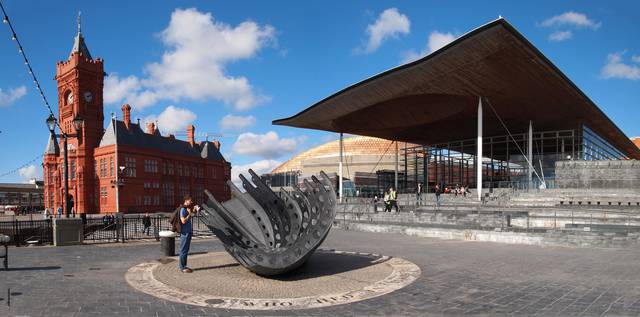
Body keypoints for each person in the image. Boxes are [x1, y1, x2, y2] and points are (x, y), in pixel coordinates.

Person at [178, 195, 198, 273]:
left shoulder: (187, 209)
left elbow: (190, 216)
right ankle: (182, 267)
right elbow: (183, 221)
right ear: (186, 200)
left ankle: (184, 266)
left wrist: (194, 211)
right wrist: (189, 213)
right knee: (183, 250)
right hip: (185, 233)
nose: (191, 202)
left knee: (186, 250)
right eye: (190, 200)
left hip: (188, 232)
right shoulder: (183, 209)